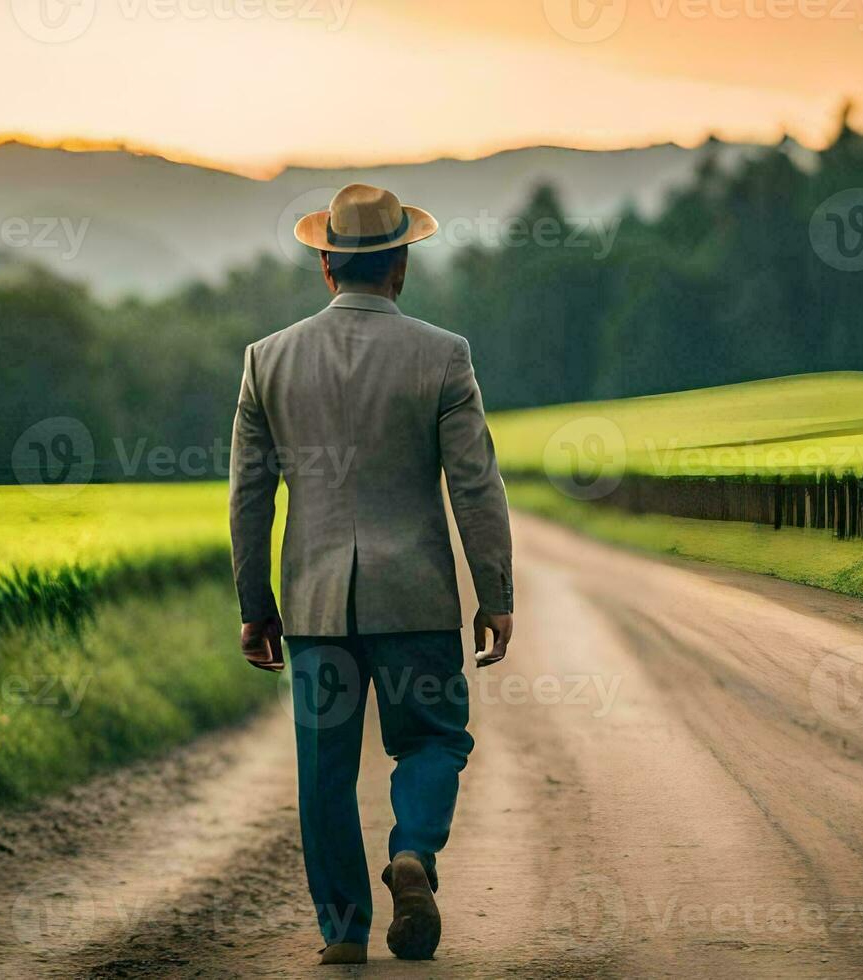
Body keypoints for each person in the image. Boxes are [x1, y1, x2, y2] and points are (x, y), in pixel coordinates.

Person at [228, 183, 515, 965]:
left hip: (317, 608)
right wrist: (495, 593)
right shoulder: (443, 356)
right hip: (416, 601)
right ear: (401, 267)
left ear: (327, 265)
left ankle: (344, 934)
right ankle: (414, 849)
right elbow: (475, 484)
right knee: (431, 739)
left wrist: (256, 606)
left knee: (323, 772)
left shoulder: (268, 360)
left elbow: (250, 496)